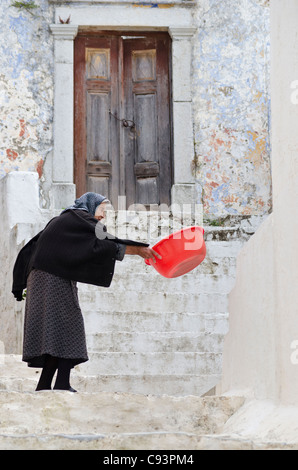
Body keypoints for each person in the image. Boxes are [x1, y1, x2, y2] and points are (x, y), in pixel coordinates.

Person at [12, 192, 160, 392]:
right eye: (102, 210)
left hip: (42, 277)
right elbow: (105, 245)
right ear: (91, 205)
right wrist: (139, 250)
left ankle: (45, 385)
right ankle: (62, 384)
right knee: (70, 325)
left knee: (56, 330)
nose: (102, 216)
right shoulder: (79, 218)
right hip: (51, 277)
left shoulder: (67, 220)